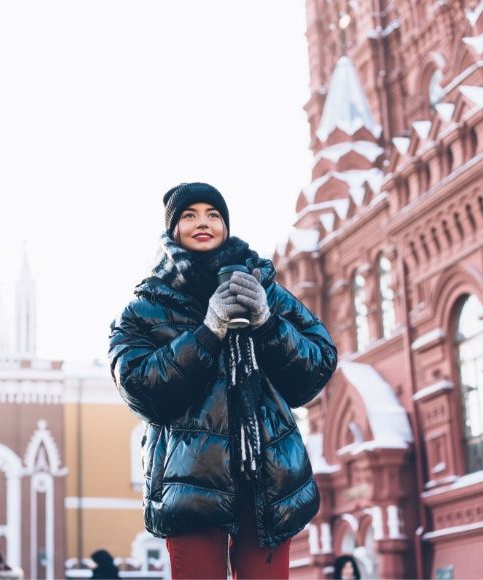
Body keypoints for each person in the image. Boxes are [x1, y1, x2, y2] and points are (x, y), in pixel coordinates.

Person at [108, 183, 337, 579]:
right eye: (190, 215)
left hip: (269, 477)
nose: (203, 223)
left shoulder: (263, 288)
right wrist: (208, 330)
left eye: (214, 214)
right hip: (190, 479)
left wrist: (267, 323)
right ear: (172, 228)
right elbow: (141, 389)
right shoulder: (145, 307)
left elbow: (316, 367)